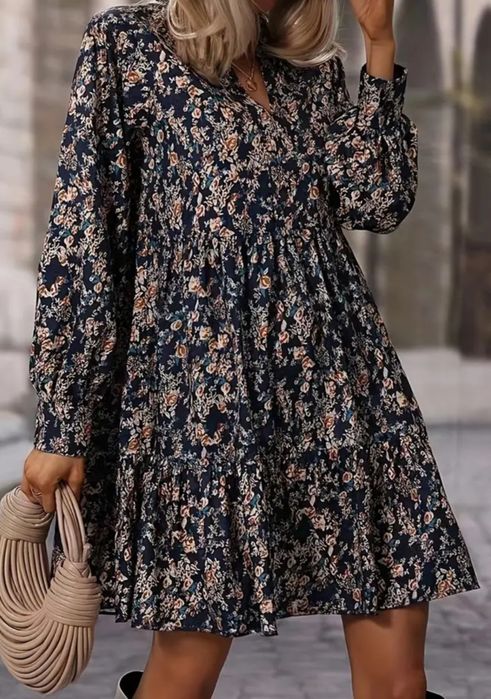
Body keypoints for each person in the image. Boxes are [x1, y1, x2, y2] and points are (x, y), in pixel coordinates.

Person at [21, 1, 480, 698]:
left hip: (343, 389)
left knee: (398, 676)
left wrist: (380, 45)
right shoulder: (129, 46)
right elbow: (84, 239)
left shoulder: (308, 70)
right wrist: (62, 422)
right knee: (184, 669)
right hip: (208, 402)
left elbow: (376, 200)